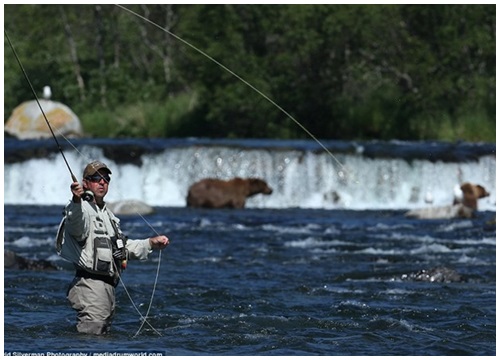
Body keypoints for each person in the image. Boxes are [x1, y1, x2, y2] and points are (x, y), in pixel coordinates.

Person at [56, 160, 169, 335]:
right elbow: (76, 226)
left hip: (107, 287)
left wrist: (150, 243)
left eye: (106, 179)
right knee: (91, 341)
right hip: (90, 285)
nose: (102, 182)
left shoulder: (108, 215)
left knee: (100, 337)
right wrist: (76, 200)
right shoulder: (80, 209)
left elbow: (121, 246)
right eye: (96, 178)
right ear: (85, 183)